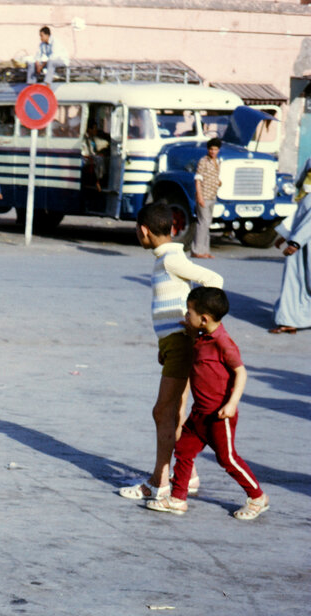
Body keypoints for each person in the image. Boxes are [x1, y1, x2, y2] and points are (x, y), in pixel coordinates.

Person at [118, 202, 223, 501]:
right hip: (174, 345)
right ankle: (186, 476)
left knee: (161, 411)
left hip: (180, 344)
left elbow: (214, 281)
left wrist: (202, 326)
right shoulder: (167, 256)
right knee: (173, 411)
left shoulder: (170, 260)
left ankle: (158, 482)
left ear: (144, 231)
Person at [145, 287, 269, 520]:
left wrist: (232, 404)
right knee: (183, 450)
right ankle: (178, 498)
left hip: (219, 416)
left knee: (227, 458)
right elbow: (192, 356)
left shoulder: (222, 342)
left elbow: (241, 372)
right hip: (199, 413)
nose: (185, 316)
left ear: (204, 318)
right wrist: (168, 354)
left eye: (189, 312)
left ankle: (257, 497)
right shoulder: (199, 336)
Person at [270, 158, 311, 334]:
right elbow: (299, 215)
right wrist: (285, 236)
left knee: (303, 281)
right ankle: (290, 319)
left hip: (302, 243)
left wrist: (294, 242)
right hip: (301, 243)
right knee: (295, 282)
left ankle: (294, 319)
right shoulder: (306, 196)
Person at [191, 138, 222, 259]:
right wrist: (199, 196)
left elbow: (215, 177)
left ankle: (205, 250)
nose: (213, 151)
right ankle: (196, 250)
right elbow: (198, 179)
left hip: (212, 195)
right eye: (211, 149)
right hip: (203, 195)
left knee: (207, 223)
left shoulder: (218, 162)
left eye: (215, 149)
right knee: (202, 222)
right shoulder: (203, 161)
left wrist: (218, 182)